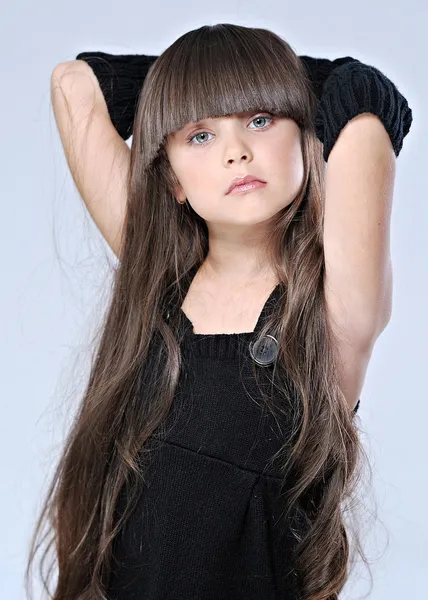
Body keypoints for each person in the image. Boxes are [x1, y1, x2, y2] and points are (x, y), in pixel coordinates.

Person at [27, 23, 412, 600]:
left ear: (306, 134)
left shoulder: (333, 309)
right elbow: (73, 84)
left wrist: (248, 75)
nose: (237, 150)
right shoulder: (155, 279)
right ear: (173, 179)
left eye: (261, 119)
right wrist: (192, 84)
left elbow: (363, 98)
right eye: (200, 136)